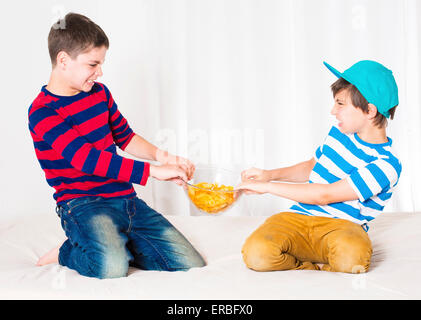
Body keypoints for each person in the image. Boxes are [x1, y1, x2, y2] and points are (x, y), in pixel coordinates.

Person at [28, 13, 205, 279]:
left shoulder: (99, 94)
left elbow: (125, 137)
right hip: (83, 205)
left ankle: (115, 243)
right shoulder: (43, 112)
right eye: (93, 64)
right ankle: (68, 250)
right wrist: (153, 172)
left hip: (125, 200)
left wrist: (163, 157)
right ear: (63, 60)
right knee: (111, 268)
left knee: (188, 262)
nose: (100, 72)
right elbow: (87, 159)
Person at [236, 60, 401, 273]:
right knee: (257, 253)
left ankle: (324, 262)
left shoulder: (386, 165)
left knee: (353, 259)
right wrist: (268, 175)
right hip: (298, 218)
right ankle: (311, 266)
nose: (333, 111)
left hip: (342, 227)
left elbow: (324, 195)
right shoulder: (338, 134)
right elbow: (311, 167)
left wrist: (269, 187)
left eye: (340, 104)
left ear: (369, 110)